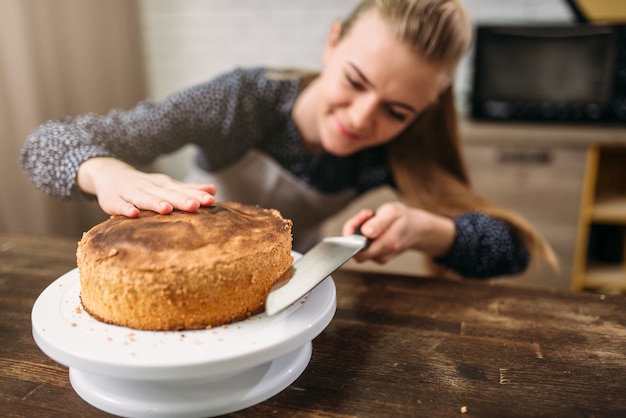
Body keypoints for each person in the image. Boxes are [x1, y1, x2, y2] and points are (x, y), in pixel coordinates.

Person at [19, 0, 557, 279]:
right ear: (332, 42)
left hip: (291, 286)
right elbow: (46, 142)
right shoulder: (241, 102)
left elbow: (512, 250)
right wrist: (107, 171)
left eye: (396, 111)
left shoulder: (403, 147)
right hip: (181, 267)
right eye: (355, 81)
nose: (362, 119)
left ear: (423, 109)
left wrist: (429, 230)